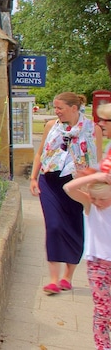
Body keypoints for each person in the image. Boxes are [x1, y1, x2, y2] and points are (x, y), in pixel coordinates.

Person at [30, 92, 104, 294]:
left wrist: (92, 184)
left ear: (74, 108)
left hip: (76, 184)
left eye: (60, 108)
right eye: (55, 108)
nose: (57, 111)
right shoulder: (50, 126)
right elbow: (40, 153)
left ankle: (67, 277)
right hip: (50, 181)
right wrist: (33, 178)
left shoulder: (92, 130)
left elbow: (96, 160)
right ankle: (53, 279)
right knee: (53, 226)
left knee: (73, 226)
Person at [64, 104, 111, 350]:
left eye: (106, 121)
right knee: (103, 312)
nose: (102, 125)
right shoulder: (93, 203)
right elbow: (71, 188)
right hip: (99, 261)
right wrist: (94, 177)